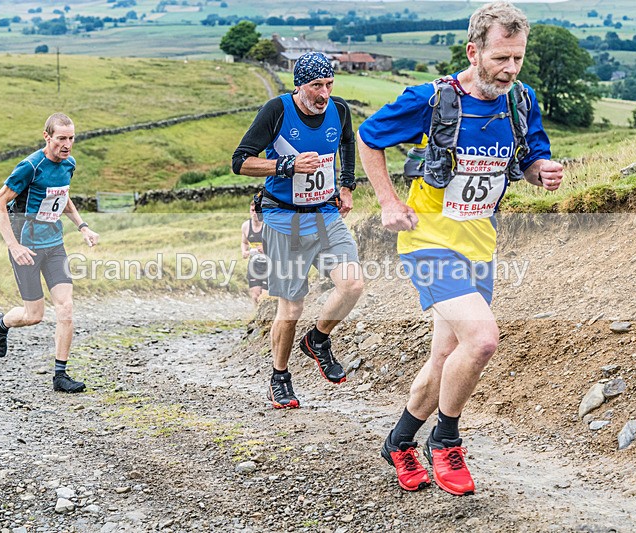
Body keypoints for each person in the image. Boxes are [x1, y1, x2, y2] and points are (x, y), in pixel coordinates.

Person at [357, 1, 564, 494]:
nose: (510, 69)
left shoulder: (521, 101)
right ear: (474, 52)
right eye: (500, 59)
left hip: (479, 244)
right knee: (483, 339)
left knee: (445, 355)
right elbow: (368, 137)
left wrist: (543, 173)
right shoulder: (433, 99)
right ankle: (445, 441)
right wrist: (388, 203)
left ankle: (400, 441)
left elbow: (532, 158)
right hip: (427, 242)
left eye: (517, 58)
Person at [232, 52, 364, 409]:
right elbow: (240, 162)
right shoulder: (277, 111)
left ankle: (318, 340)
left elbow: (348, 142)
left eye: (329, 85)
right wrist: (285, 165)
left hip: (325, 215)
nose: (324, 94)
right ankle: (280, 376)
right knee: (291, 307)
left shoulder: (339, 109)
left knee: (352, 284)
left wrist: (347, 185)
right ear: (299, 86)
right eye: (316, 86)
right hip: (283, 219)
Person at [0, 112, 99, 393]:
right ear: (47, 136)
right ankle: (1, 324)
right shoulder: (30, 167)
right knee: (33, 314)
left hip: (54, 246)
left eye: (72, 138)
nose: (67, 144)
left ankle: (60, 375)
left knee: (66, 307)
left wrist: (82, 226)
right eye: (61, 138)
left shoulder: (69, 164)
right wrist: (13, 246)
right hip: (26, 248)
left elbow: (63, 196)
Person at [241, 199, 268, 305]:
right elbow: (244, 242)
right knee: (255, 295)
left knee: (265, 296)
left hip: (269, 265)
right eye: (252, 210)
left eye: (257, 211)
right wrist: (244, 251)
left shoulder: (267, 225)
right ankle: (257, 318)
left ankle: (269, 319)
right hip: (254, 265)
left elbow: (278, 244)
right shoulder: (246, 226)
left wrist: (266, 248)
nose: (255, 213)